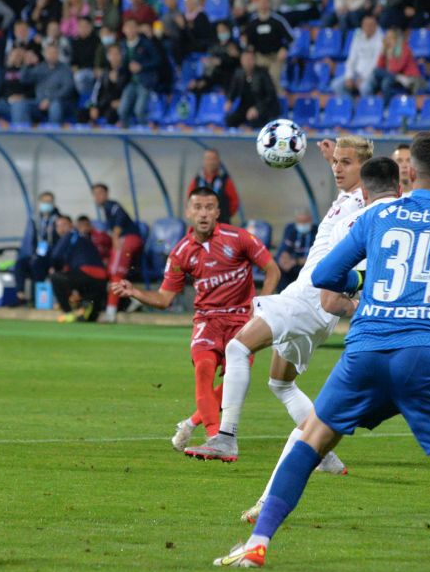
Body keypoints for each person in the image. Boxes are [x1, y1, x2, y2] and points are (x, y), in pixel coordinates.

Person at [213, 129, 430, 572]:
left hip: (367, 351)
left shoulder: (377, 217)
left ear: (408, 171)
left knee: (309, 442)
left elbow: (329, 274)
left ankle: (256, 544)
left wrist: (365, 286)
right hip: (428, 356)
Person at [176, 136, 370, 465]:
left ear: (365, 169)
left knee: (237, 347)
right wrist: (331, 159)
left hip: (309, 297)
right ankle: (325, 457)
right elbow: (356, 187)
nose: (337, 167)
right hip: (318, 307)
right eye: (336, 161)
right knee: (281, 383)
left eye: (345, 162)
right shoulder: (348, 197)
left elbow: (370, 192)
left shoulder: (366, 202)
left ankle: (225, 437)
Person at [112, 187, 280, 451]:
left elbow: (272, 269)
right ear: (188, 212)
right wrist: (135, 292)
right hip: (207, 321)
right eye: (198, 207)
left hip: (242, 322)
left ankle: (191, 424)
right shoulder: (181, 253)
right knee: (203, 371)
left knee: (233, 383)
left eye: (209, 207)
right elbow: (164, 299)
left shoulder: (238, 238)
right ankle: (216, 437)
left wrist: (261, 306)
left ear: (217, 212)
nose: (203, 213)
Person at [92, 184, 143, 323]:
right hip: (127, 240)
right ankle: (133, 299)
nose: (97, 196)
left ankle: (110, 313)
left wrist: (115, 236)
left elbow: (120, 216)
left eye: (100, 193)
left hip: (128, 239)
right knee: (114, 272)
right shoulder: (105, 210)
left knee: (115, 272)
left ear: (107, 193)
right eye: (95, 194)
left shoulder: (111, 205)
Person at [49, 215, 109, 321]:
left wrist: (54, 267)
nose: (61, 228)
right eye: (58, 226)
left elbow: (55, 256)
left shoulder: (71, 234)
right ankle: (84, 307)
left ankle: (68, 312)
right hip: (101, 279)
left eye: (64, 225)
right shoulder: (83, 238)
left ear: (71, 225)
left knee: (56, 278)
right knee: (89, 319)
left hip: (86, 274)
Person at [241, 0, 293, 98]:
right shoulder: (252, 22)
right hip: (260, 57)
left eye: (265, 1)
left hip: (275, 57)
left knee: (273, 79)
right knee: (256, 80)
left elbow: (290, 38)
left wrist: (285, 49)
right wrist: (247, 46)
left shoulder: (277, 20)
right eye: (260, 2)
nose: (263, 4)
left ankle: (280, 104)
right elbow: (246, 40)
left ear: (269, 3)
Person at [14, 191, 61, 297]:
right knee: (20, 263)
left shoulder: (58, 219)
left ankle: (36, 297)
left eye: (49, 202)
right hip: (36, 254)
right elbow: (29, 240)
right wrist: (30, 255)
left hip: (51, 256)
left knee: (37, 265)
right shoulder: (35, 219)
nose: (46, 204)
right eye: (44, 201)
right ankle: (20, 293)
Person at [225, 48, 280, 129]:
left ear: (254, 61)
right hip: (245, 107)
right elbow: (234, 90)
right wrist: (230, 100)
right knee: (230, 120)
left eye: (249, 59)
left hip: (263, 108)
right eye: (245, 59)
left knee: (255, 121)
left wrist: (257, 109)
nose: (247, 62)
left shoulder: (263, 74)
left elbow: (271, 96)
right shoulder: (239, 74)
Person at [331, 14, 383, 97]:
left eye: (371, 25)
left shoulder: (381, 39)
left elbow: (376, 63)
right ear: (362, 26)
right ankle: (350, 107)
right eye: (365, 25)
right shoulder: (358, 36)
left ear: (376, 26)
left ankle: (366, 108)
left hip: (372, 76)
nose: (368, 27)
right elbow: (351, 59)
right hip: (356, 74)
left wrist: (364, 78)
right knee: (336, 85)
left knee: (364, 87)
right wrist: (349, 76)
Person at [188, 149, 240, 224]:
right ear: (204, 161)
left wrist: (224, 215)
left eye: (213, 159)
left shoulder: (225, 180)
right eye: (208, 159)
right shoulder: (197, 180)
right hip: (201, 226)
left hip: (222, 224)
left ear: (218, 161)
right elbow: (189, 201)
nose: (211, 162)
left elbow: (234, 202)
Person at [275, 208, 316, 291]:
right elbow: (284, 250)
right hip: (291, 265)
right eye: (300, 222)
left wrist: (296, 261)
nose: (302, 224)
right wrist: (284, 260)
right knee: (279, 266)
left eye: (305, 222)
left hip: (306, 265)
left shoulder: (317, 231)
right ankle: (282, 295)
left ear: (310, 220)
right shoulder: (290, 229)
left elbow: (315, 257)